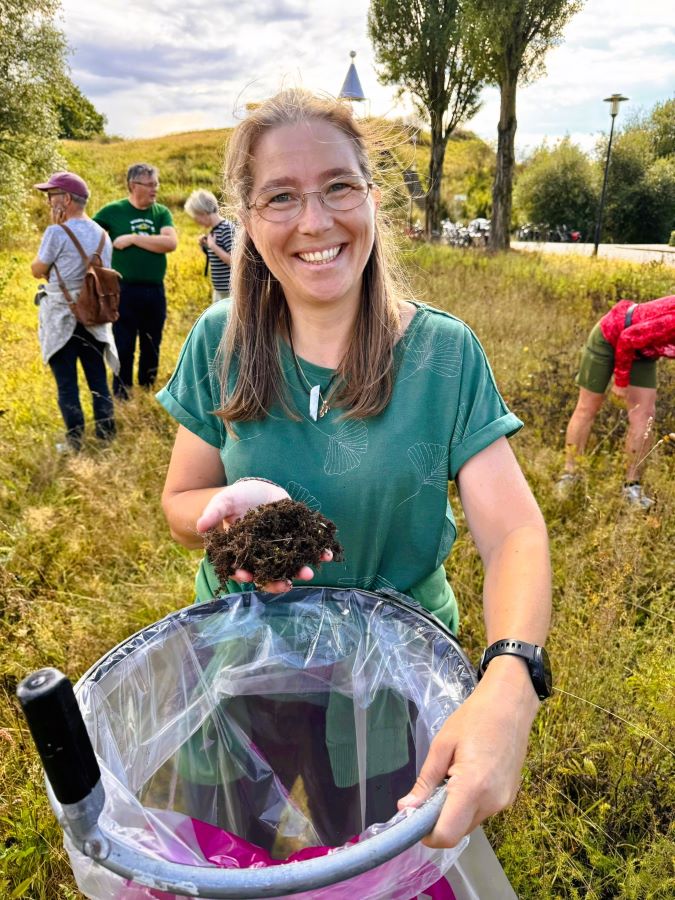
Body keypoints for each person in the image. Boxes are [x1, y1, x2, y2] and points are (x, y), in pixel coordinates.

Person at [157, 89, 551, 851]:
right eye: (280, 197)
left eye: (338, 186)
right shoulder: (218, 341)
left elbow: (513, 535)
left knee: (373, 861)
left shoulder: (442, 355)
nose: (314, 222)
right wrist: (220, 513)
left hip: (386, 687)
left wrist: (511, 679)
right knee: (227, 848)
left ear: (371, 197)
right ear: (248, 220)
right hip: (241, 661)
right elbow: (181, 498)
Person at [556, 295, 675, 509]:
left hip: (642, 352)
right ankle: (569, 475)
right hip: (611, 336)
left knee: (645, 415)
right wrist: (620, 381)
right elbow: (628, 337)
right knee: (587, 407)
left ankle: (631, 487)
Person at [31, 171, 119, 452]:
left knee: (67, 383)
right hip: (94, 316)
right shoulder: (103, 234)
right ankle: (106, 436)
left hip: (62, 317)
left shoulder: (55, 232)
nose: (48, 201)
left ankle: (75, 441)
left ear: (66, 199)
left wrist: (54, 228)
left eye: (51, 196)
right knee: (97, 379)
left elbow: (37, 269)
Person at [93, 163, 177, 399]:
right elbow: (88, 234)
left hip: (154, 290)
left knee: (152, 341)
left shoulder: (161, 213)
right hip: (122, 290)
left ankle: (147, 386)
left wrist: (132, 238)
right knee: (124, 342)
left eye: (156, 184)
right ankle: (122, 391)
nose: (154, 189)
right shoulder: (113, 211)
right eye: (149, 184)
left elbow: (170, 243)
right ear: (133, 185)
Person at [184, 189, 235, 302]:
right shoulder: (216, 230)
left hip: (230, 290)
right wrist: (206, 246)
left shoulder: (226, 229)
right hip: (220, 289)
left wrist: (213, 246)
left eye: (196, 218)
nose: (196, 222)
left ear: (204, 213)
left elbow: (234, 261)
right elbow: (218, 257)